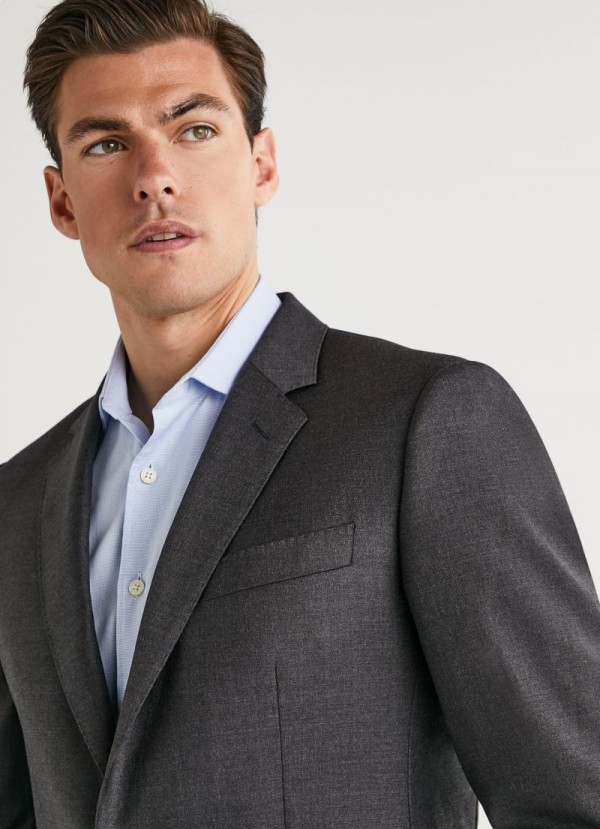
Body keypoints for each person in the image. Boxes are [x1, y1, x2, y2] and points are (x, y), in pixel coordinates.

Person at [1, 0, 599, 826]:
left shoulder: (422, 423)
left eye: (194, 129)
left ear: (262, 165)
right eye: (107, 144)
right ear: (62, 201)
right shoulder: (17, 501)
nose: (154, 177)